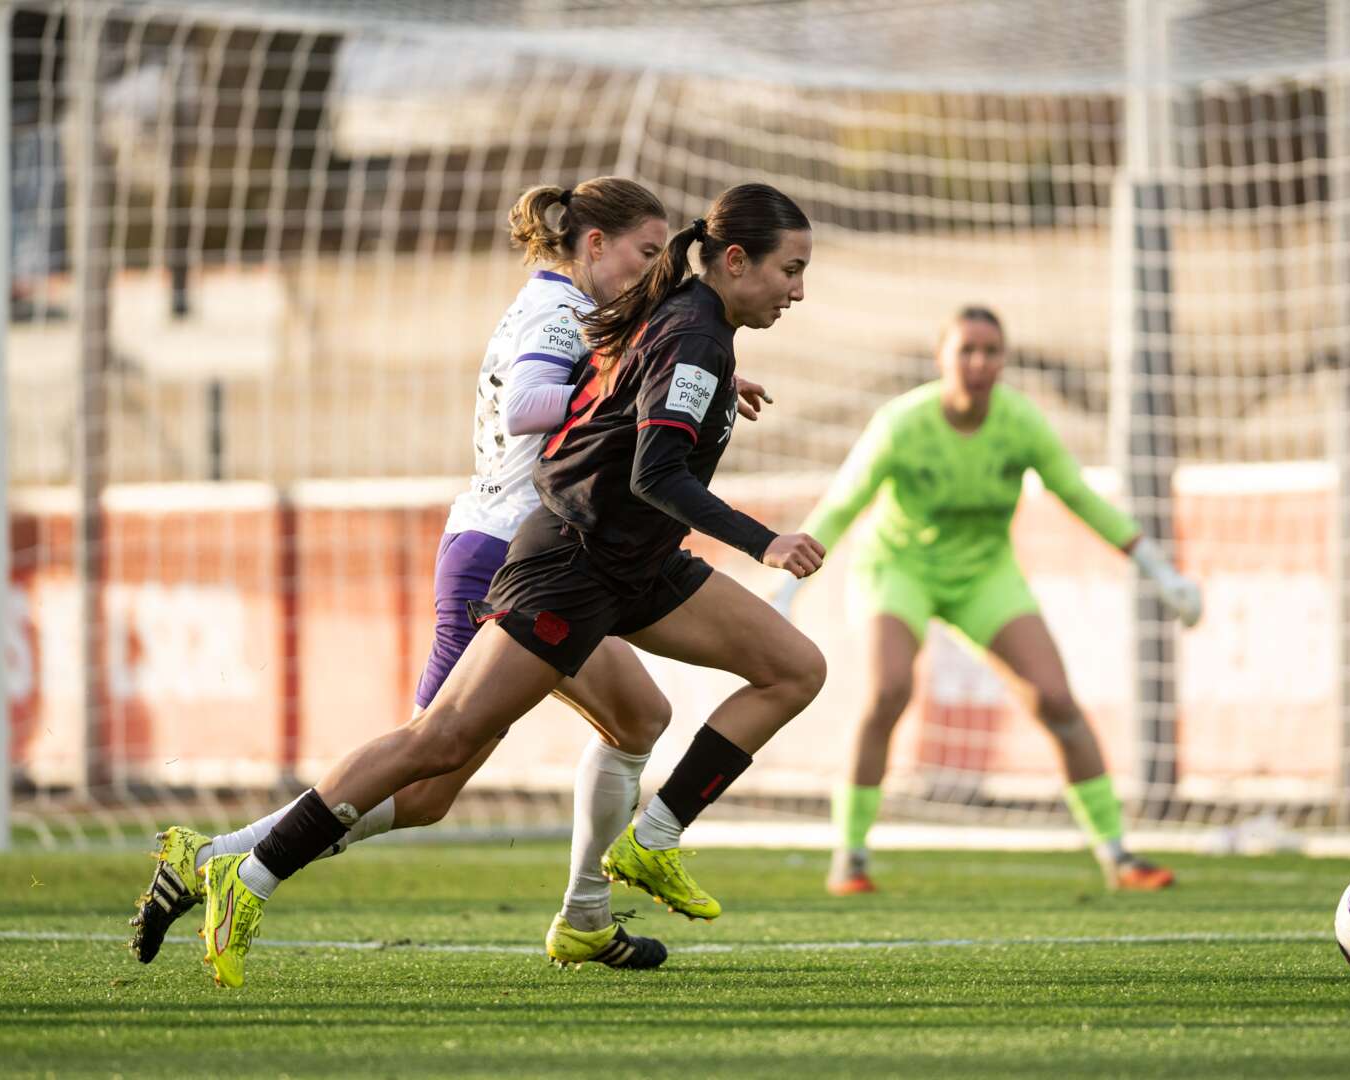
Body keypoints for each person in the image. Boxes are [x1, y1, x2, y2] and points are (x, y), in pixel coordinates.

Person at [127, 176, 772, 975]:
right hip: (512, 553)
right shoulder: (554, 312)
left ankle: (586, 916)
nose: (653, 270)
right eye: (645, 253)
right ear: (594, 245)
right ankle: (222, 860)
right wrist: (633, 395)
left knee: (635, 720)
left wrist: (670, 385)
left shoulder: (580, 310)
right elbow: (529, 403)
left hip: (551, 549)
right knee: (428, 768)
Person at [776, 306, 1203, 896]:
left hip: (985, 573)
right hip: (899, 568)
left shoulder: (1020, 423)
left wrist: (1160, 570)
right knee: (887, 690)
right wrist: (789, 586)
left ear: (1003, 359)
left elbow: (1080, 497)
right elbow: (843, 504)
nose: (979, 363)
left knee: (1055, 699)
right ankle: (850, 857)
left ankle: (1119, 855)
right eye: (967, 350)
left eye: (991, 351)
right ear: (942, 357)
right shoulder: (902, 423)